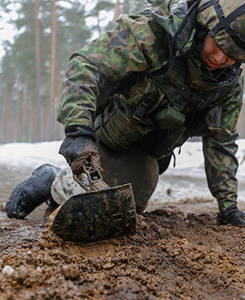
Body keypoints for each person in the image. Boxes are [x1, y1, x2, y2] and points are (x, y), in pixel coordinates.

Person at [5, 0, 245, 227]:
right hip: (110, 136)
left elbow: (221, 140)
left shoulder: (229, 84)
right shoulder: (155, 35)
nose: (219, 58)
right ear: (205, 25)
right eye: (219, 44)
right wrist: (78, 131)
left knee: (128, 206)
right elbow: (86, 66)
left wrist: (228, 206)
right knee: (96, 205)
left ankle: (107, 178)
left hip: (153, 149)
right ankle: (52, 180)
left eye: (232, 54)